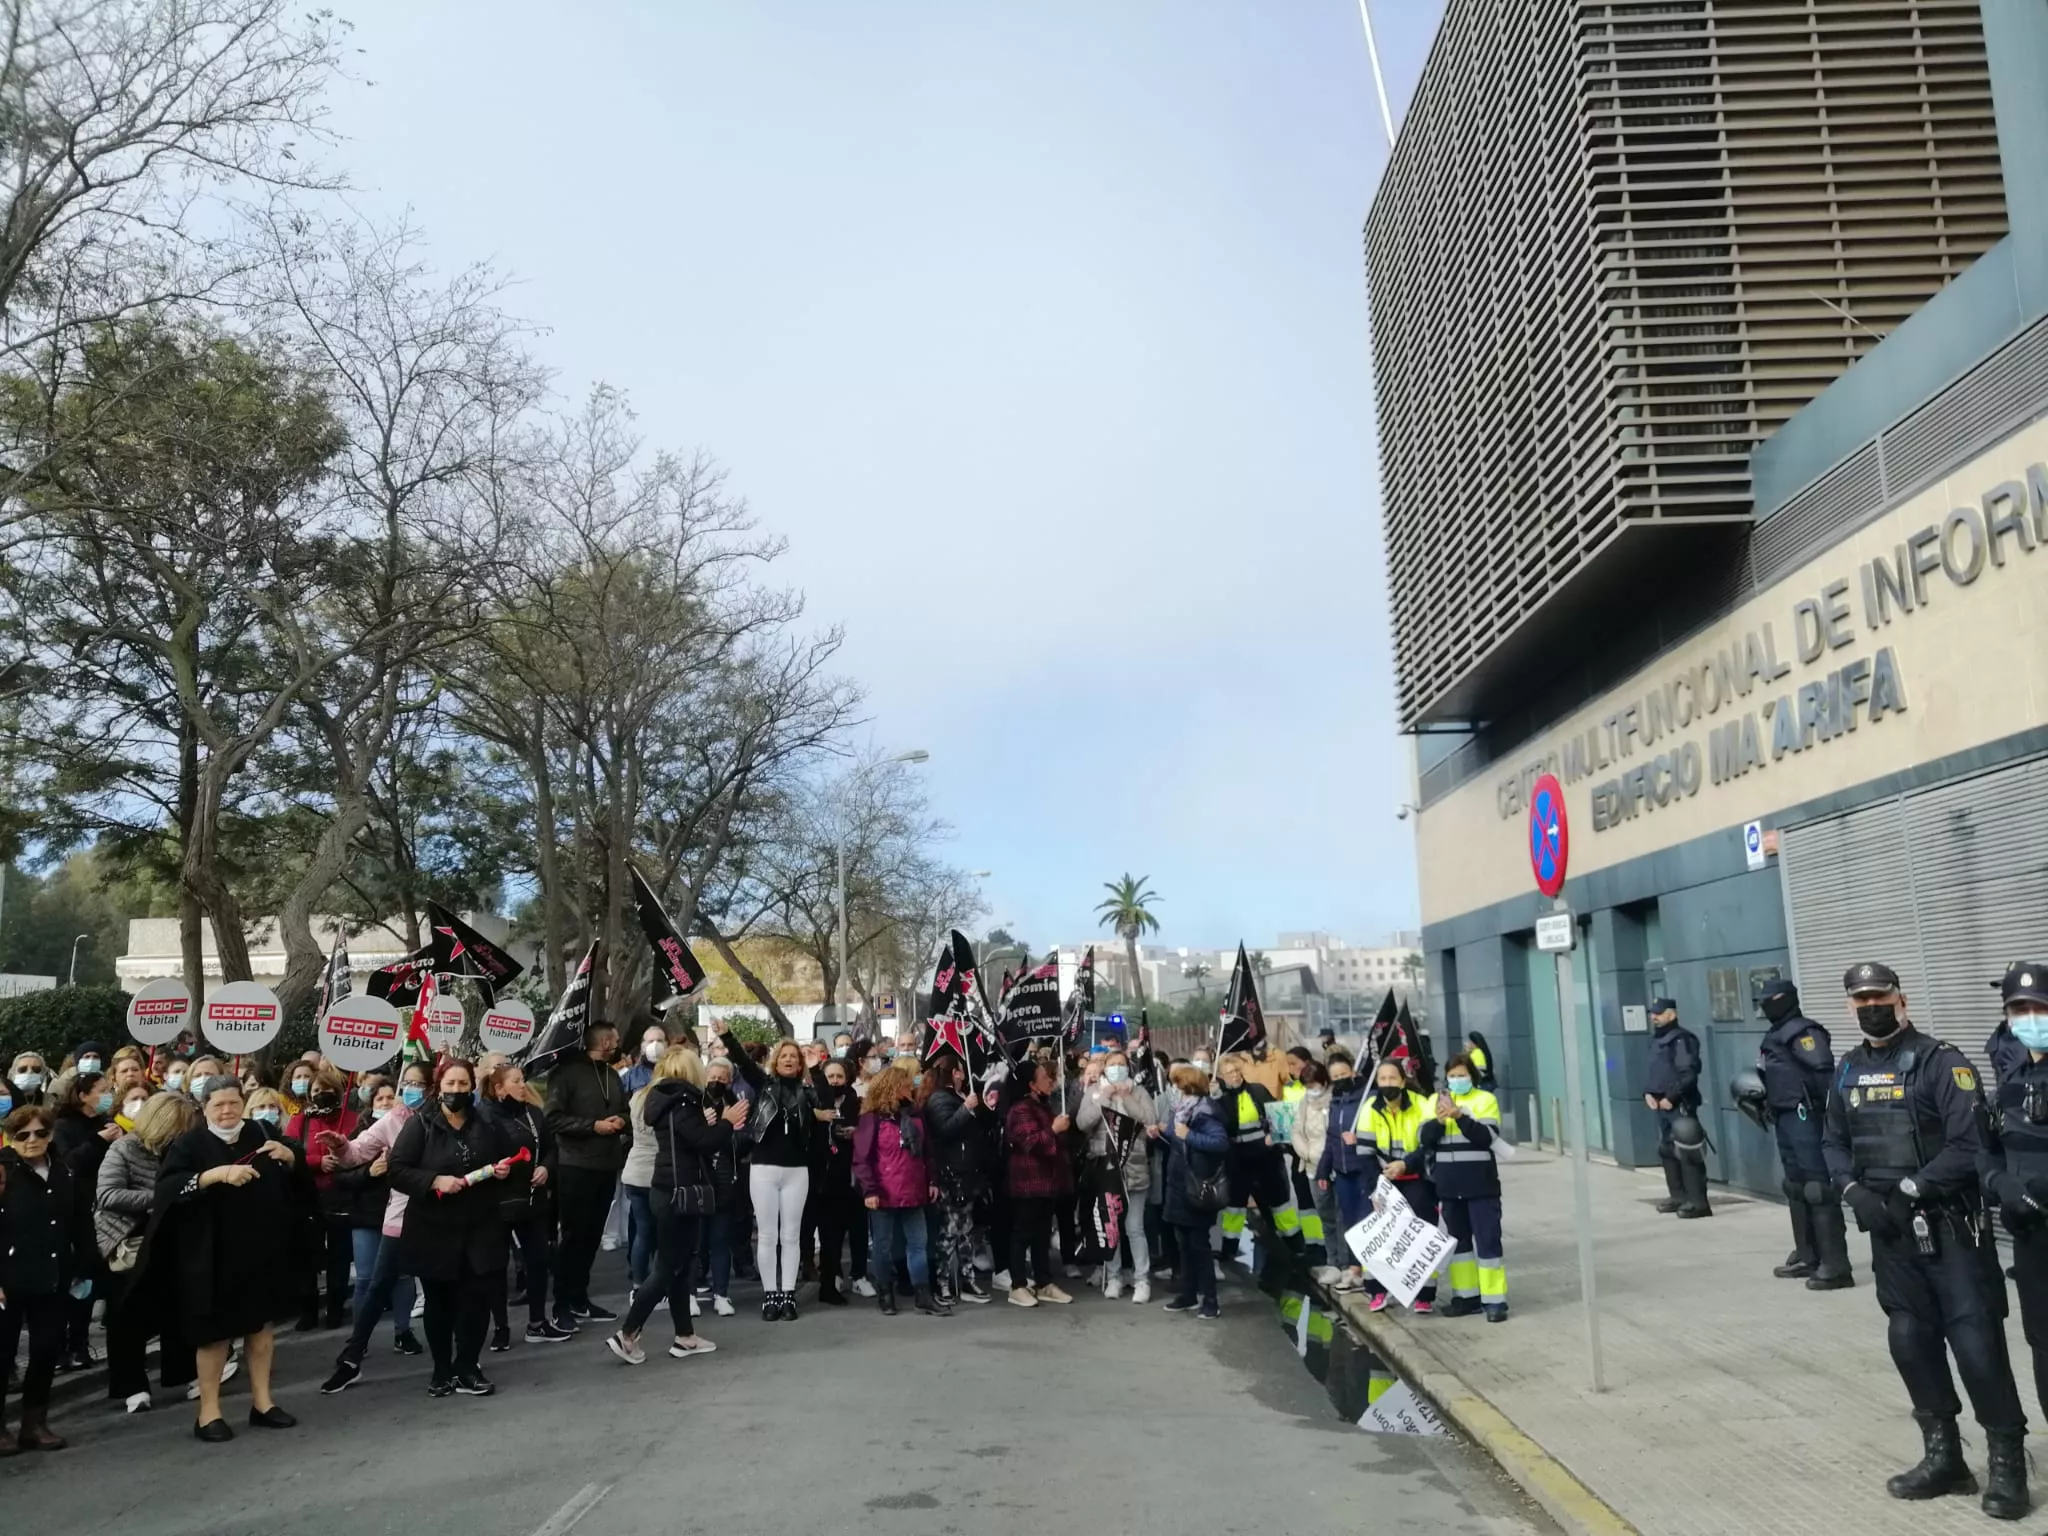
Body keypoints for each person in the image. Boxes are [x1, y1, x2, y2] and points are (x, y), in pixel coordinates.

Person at [1823, 960, 2025, 1515]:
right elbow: (1832, 1143)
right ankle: (1945, 1459)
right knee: (1909, 1341)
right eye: (1860, 999)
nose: (1871, 1006)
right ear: (1849, 1006)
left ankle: (2008, 1464)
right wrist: (1853, 1193)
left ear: (1900, 998)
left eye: (1879, 995)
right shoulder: (1845, 1071)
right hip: (1890, 1237)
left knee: (1977, 1347)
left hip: (1951, 1229)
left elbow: (1968, 1147)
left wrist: (1912, 1188)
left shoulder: (1943, 1063)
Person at [155, 1077, 300, 1442]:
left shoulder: (260, 1133)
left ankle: (263, 1404)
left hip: (259, 1250)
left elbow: (294, 1181)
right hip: (211, 1255)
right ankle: (208, 1413)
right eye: (218, 1105)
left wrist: (289, 1158)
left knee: (261, 1329)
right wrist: (215, 1175)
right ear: (204, 1107)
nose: (227, 1111)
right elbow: (168, 1190)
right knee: (214, 1337)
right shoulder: (189, 1144)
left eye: (233, 1103)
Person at [606, 1046, 741, 1364]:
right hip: (681, 1192)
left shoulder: (658, 1098)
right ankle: (627, 1333)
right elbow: (703, 1143)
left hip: (667, 1189)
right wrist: (725, 1123)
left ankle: (685, 1335)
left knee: (681, 1266)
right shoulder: (683, 1100)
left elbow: (687, 1139)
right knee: (668, 1267)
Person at [387, 1059, 513, 1398]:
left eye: (462, 1084)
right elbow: (397, 1170)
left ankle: (468, 1366)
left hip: (480, 1228)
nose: (456, 1091)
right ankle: (442, 1369)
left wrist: (501, 1172)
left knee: (476, 1302)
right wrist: (433, 1180)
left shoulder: (487, 1124)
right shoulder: (421, 1126)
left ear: (472, 1086)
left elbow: (508, 1160)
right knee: (440, 1304)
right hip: (434, 1230)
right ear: (438, 1087)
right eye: (450, 1084)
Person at [318, 1065, 430, 1394]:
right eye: (405, 1083)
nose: (410, 1089)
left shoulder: (443, 1118)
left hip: (440, 1214)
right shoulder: (392, 1119)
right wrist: (340, 1146)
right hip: (399, 1215)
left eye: (418, 1084)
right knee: (379, 1282)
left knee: (447, 1287)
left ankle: (459, 1361)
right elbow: (355, 1154)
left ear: (432, 1088)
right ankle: (352, 1358)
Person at [1985, 960, 2048, 1516]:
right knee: (2044, 1348)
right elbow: (1985, 1148)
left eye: (2038, 1009)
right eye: (2019, 1010)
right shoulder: (2012, 1083)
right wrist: (2002, 1184)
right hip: (2032, 1243)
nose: (2029, 1018)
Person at [0, 1103, 96, 1451]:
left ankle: (34, 1424)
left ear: (51, 1134)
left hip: (53, 1276)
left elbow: (80, 1223)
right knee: (2, 1352)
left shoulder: (63, 1171)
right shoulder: (3, 1170)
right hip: (8, 1280)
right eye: (22, 1135)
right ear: (10, 1138)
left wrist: (84, 1267)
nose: (32, 1140)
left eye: (41, 1133)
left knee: (45, 1351)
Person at [97, 1091, 200, 1412]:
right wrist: (159, 1198)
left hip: (167, 1239)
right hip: (127, 1240)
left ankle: (185, 1375)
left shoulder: (181, 1152)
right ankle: (132, 1386)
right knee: (127, 1316)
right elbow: (107, 1195)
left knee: (175, 1308)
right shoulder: (124, 1148)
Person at [1754, 978, 1852, 1289]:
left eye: (1770, 1000)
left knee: (1817, 1189)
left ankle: (1836, 1266)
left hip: (1805, 1117)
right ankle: (1809, 1256)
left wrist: (1830, 1122)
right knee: (1795, 1187)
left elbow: (1824, 1075)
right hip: (1783, 1117)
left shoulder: (1804, 1032)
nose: (1765, 1005)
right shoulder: (1774, 1035)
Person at [726, 1033, 821, 1321]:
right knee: (767, 1235)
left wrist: (816, 1069)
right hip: (764, 1168)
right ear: (775, 1061)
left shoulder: (808, 1092)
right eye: (784, 1056)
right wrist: (725, 1035)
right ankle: (770, 1295)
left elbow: (826, 1102)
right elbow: (743, 1062)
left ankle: (788, 1294)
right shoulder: (764, 1085)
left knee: (791, 1236)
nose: (789, 1060)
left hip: (797, 1170)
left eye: (794, 1056)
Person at [545, 1021, 631, 1331]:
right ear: (605, 1041)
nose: (619, 1043)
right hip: (575, 1164)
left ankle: (580, 1297)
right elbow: (553, 1118)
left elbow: (625, 1110)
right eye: (616, 1039)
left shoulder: (611, 1074)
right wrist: (592, 1126)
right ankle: (561, 1302)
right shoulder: (566, 1073)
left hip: (606, 1165)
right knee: (573, 1236)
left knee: (592, 1236)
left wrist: (620, 1122)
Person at [479, 1062, 570, 1348]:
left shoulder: (533, 1114)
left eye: (522, 1080)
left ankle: (537, 1323)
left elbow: (551, 1148)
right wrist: (493, 1169)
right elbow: (477, 1156)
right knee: (496, 1267)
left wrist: (545, 1168)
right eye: (515, 1081)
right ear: (499, 1088)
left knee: (538, 1261)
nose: (522, 1085)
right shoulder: (483, 1117)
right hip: (498, 1203)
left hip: (532, 1201)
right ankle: (501, 1328)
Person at [1420, 1054, 1507, 1321]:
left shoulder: (1485, 1100)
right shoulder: (1435, 1102)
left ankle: (1495, 1302)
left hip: (1481, 1185)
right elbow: (1424, 1139)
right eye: (1452, 1075)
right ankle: (1466, 1297)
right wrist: (1439, 1121)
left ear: (1472, 1076)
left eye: (1462, 1075)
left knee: (1488, 1243)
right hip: (1449, 1186)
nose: (1456, 1080)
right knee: (1459, 1247)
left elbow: (1487, 1137)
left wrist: (1459, 1117)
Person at [854, 1064, 945, 1316]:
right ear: (893, 1088)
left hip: (915, 1191)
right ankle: (885, 1293)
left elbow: (928, 1153)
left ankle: (922, 1294)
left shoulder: (915, 1116)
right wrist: (869, 1190)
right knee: (883, 1247)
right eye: (905, 1084)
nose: (910, 1088)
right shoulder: (871, 1118)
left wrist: (932, 1181)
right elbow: (862, 1159)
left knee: (919, 1245)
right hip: (883, 1193)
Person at [49, 1068, 118, 1373]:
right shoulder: (63, 1126)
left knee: (87, 1282)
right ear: (82, 1095)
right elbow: (69, 1164)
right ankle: (60, 1346)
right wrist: (99, 1141)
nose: (108, 1095)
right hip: (72, 1209)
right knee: (69, 1280)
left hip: (100, 1211)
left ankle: (79, 1344)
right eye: (101, 1090)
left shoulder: (107, 1122)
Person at [1076, 1048, 1158, 1302]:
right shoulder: (1094, 1092)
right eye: (1112, 1065)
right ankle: (1114, 1276)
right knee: (1111, 1227)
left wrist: (1127, 1097)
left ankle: (1141, 1279)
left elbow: (1149, 1118)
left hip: (1134, 1169)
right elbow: (1082, 1123)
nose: (1117, 1069)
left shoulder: (1139, 1091)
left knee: (1134, 1227)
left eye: (1122, 1065)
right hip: (1106, 1169)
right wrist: (1104, 1099)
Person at [1360, 1058, 1438, 1314]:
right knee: (1381, 1238)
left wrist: (1405, 1165)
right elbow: (1365, 1152)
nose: (1387, 1083)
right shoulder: (1369, 1108)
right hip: (1383, 1182)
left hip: (1416, 1179)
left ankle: (1424, 1295)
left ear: (1403, 1081)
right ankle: (1377, 1292)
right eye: (1382, 1079)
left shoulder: (1422, 1105)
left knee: (1422, 1236)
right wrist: (1375, 1188)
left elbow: (1427, 1145)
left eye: (1392, 1078)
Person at [285, 1062, 359, 1331]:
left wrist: (342, 1158)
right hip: (309, 1196)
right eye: (317, 1089)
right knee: (308, 1255)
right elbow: (289, 1153)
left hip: (342, 1195)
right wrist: (317, 1162)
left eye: (328, 1089)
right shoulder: (300, 1122)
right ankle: (309, 1310)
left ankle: (336, 1308)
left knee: (339, 1255)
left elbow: (363, 1149)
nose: (322, 1093)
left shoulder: (352, 1119)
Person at [918, 1054, 991, 1306]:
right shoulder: (940, 1098)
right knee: (950, 1231)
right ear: (953, 1073)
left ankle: (966, 1278)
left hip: (968, 1172)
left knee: (966, 1231)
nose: (964, 1075)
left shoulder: (957, 1097)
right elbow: (945, 1129)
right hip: (952, 1173)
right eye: (960, 1071)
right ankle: (942, 1281)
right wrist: (966, 1109)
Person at [1003, 1059, 1074, 1308]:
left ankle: (1044, 1282)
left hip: (1048, 1181)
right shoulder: (1021, 1110)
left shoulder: (1043, 1106)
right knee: (1022, 1234)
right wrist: (1054, 1129)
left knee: (1042, 1235)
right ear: (1031, 1085)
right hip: (1028, 1182)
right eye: (1044, 1077)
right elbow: (1032, 1142)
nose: (1050, 1081)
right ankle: (1018, 1284)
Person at [1215, 1052, 1297, 1266]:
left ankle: (1296, 1246)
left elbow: (1279, 1115)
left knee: (1280, 1203)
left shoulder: (1257, 1091)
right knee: (1234, 1207)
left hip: (1266, 1156)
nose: (1235, 1076)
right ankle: (1228, 1251)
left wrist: (1275, 1137)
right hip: (1237, 1160)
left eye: (1237, 1071)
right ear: (1222, 1076)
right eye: (1230, 1073)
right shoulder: (1220, 1099)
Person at [1160, 1063, 1227, 1320]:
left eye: (1178, 1086)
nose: (1175, 1091)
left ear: (1187, 1087)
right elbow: (1175, 1136)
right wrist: (1162, 1131)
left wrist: (1188, 1135)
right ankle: (1188, 1295)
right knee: (1183, 1244)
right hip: (1179, 1184)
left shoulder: (1205, 1112)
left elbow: (1219, 1143)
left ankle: (1210, 1300)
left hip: (1197, 1185)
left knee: (1199, 1244)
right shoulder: (1182, 1110)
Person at [1644, 997, 1711, 1218]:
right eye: (1652, 1013)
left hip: (1679, 1104)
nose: (1654, 1017)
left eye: (1659, 1013)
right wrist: (1648, 1094)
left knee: (1687, 1150)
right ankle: (1678, 1196)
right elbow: (1656, 1072)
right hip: (1661, 1105)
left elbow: (1688, 1073)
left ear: (1672, 1014)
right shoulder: (1658, 1040)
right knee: (1667, 1149)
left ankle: (1697, 1202)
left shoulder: (1682, 1040)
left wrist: (1671, 1097)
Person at [811, 1057, 866, 1305]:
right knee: (828, 1233)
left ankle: (859, 1274)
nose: (835, 1081)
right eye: (830, 1076)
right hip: (824, 1176)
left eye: (839, 1077)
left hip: (852, 1176)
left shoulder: (857, 1102)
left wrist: (857, 1132)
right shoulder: (817, 1101)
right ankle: (829, 1279)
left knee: (856, 1228)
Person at [1317, 1054, 1372, 1291]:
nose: (1340, 1079)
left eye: (1343, 1074)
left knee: (1365, 1222)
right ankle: (1353, 1269)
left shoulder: (1368, 1098)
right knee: (1348, 1222)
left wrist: (1359, 1140)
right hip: (1342, 1172)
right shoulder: (1335, 1102)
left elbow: (1378, 1133)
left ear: (1354, 1072)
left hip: (1364, 1170)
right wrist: (1323, 1171)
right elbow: (1331, 1140)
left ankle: (1369, 1272)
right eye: (1335, 1076)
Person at [619, 1055, 659, 1301]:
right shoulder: (664, 1100)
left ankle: (637, 1285)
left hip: (634, 1170)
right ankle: (656, 1285)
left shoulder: (637, 1097)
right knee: (659, 1233)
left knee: (643, 1232)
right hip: (655, 1171)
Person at [1288, 1060, 1334, 1271]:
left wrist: (1321, 1157)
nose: (1311, 1091)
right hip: (1310, 1166)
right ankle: (1323, 1255)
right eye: (1308, 1087)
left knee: (1336, 1216)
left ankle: (1338, 1261)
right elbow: (1296, 1129)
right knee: (1321, 1213)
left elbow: (1332, 1134)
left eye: (1314, 1086)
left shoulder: (1334, 1101)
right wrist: (1305, 1153)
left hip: (1331, 1166)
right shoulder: (1305, 1102)